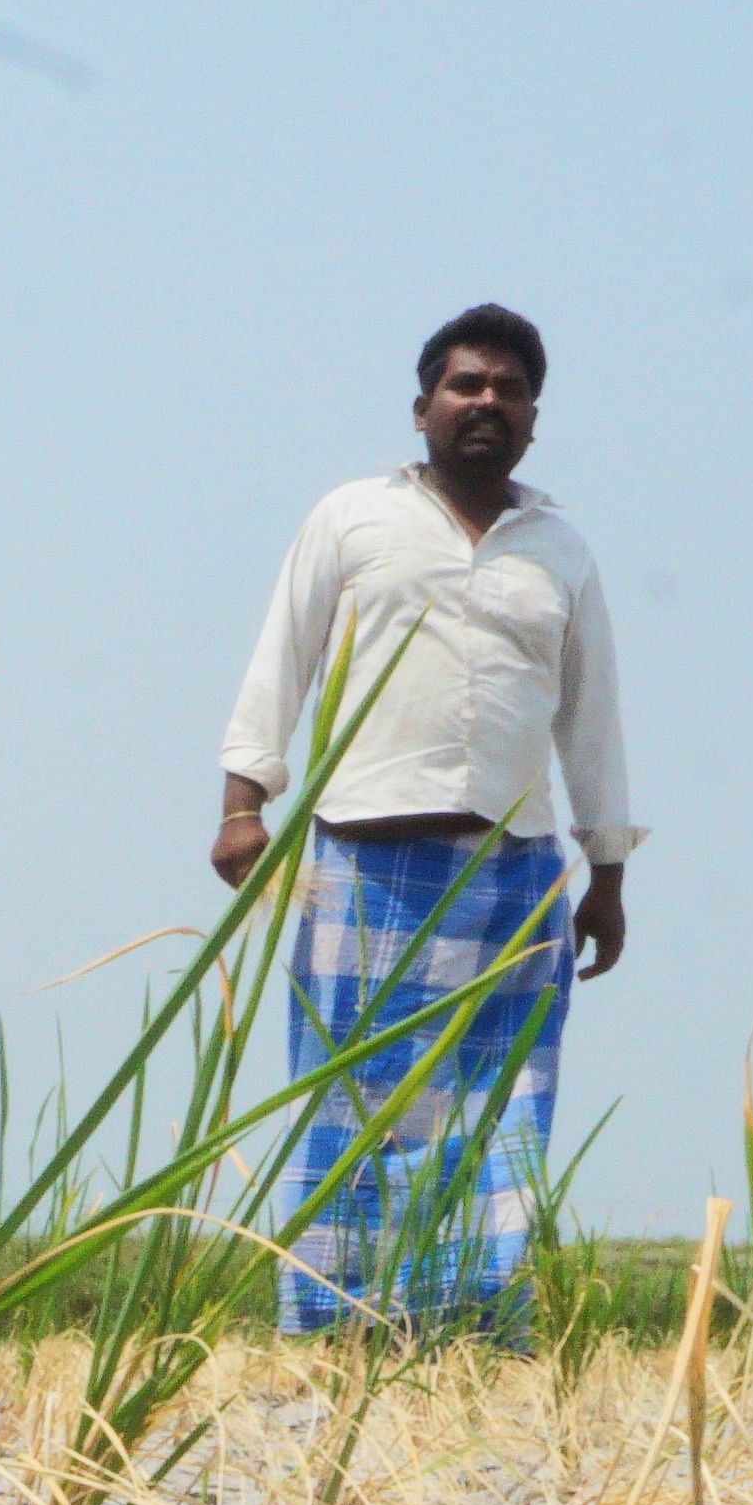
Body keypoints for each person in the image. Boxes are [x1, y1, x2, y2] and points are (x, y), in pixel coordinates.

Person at [210, 300, 640, 1344]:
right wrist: (242, 801)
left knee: (498, 1112)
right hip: (366, 851)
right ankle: (340, 1327)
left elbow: (592, 716)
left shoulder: (563, 552)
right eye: (466, 386)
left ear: (535, 418)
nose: (486, 403)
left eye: (508, 389)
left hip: (516, 862)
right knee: (359, 1101)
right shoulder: (354, 518)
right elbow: (284, 657)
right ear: (422, 409)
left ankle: (473, 1331)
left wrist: (609, 871)